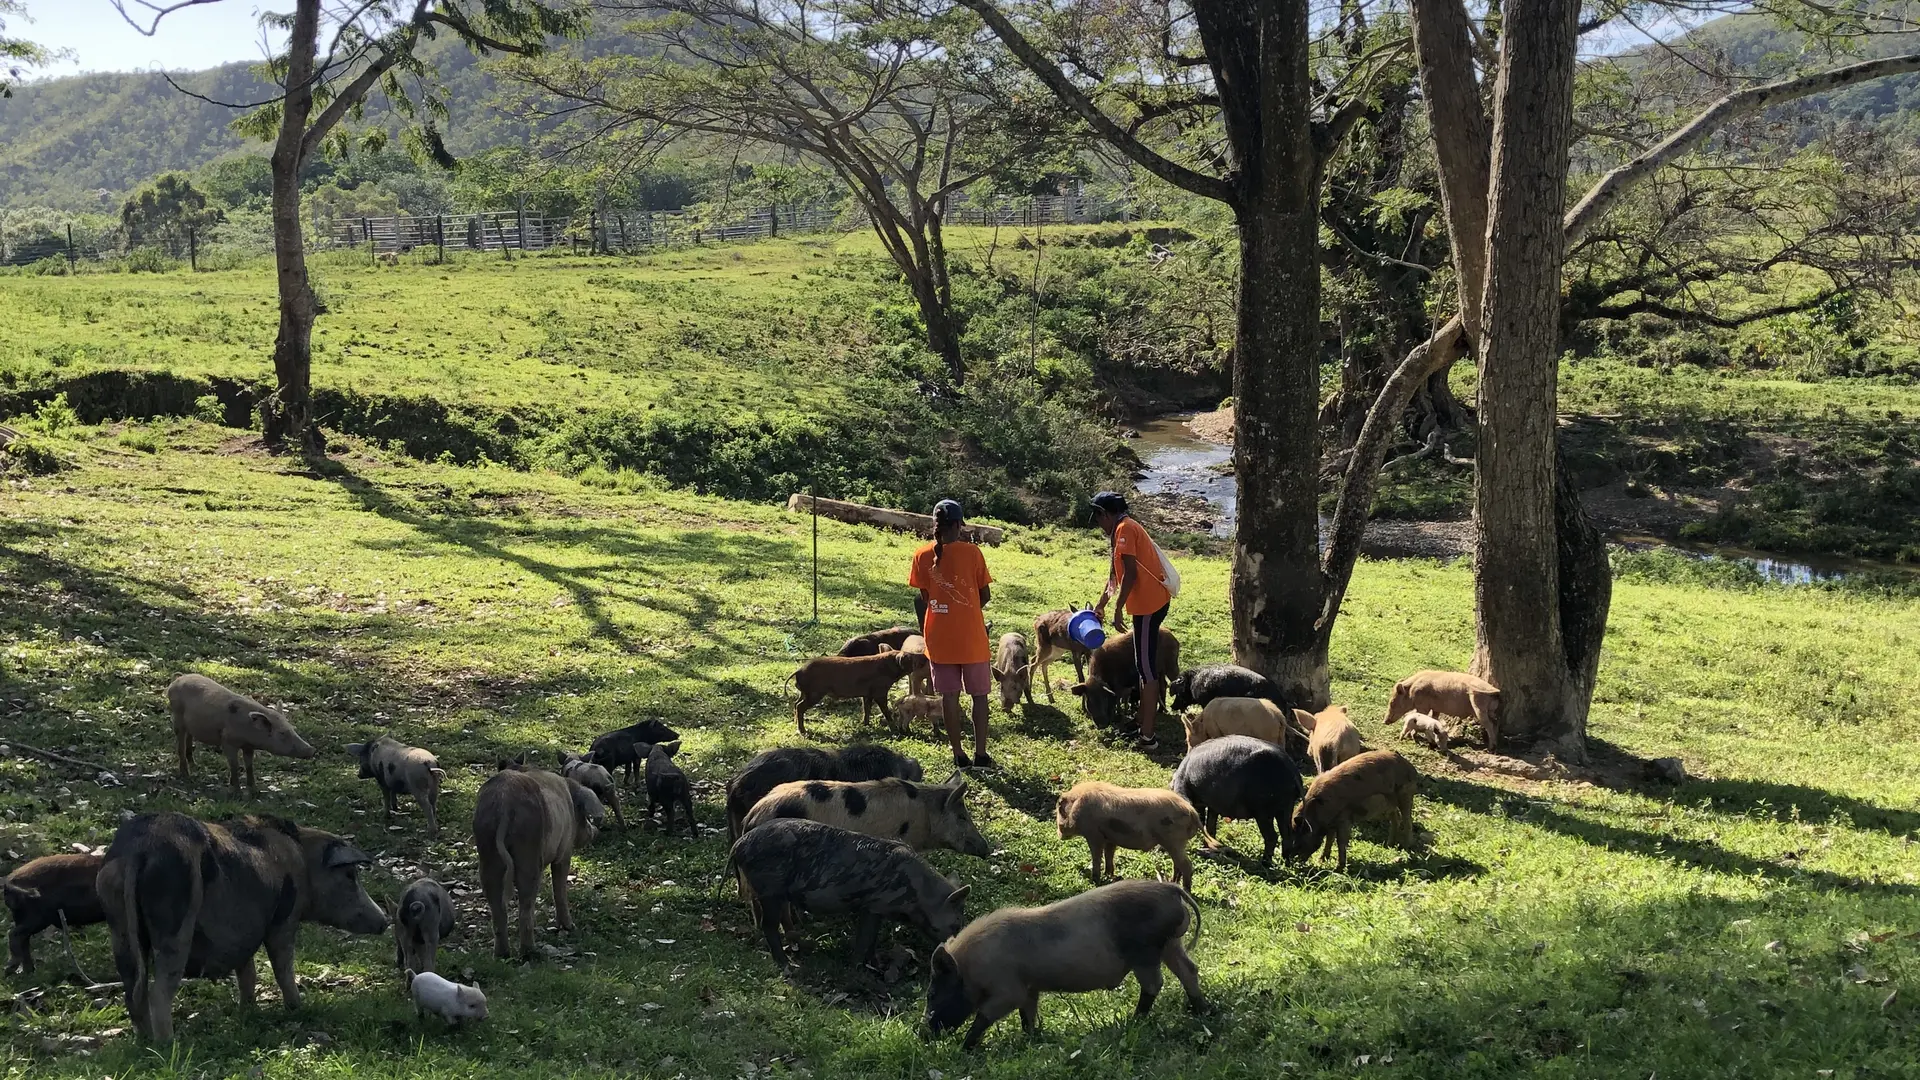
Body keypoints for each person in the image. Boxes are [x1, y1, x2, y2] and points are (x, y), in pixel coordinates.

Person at [909, 499, 996, 769]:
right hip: (972, 639)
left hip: (939, 639)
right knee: (979, 696)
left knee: (949, 697)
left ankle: (958, 755)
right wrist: (966, 612)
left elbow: (924, 597)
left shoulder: (921, 555)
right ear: (959, 525)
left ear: (935, 526)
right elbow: (985, 595)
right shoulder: (973, 553)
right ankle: (981, 755)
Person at [1091, 491, 1173, 750]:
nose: (1098, 525)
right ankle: (1141, 722)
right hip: (1144, 606)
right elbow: (1116, 576)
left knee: (1147, 670)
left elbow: (1131, 574)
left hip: (1149, 606)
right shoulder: (1122, 530)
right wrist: (1101, 604)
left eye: (1097, 518)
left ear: (1105, 514)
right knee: (1142, 665)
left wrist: (1117, 608)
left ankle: (1148, 737)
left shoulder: (1124, 529)